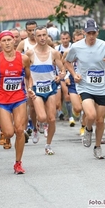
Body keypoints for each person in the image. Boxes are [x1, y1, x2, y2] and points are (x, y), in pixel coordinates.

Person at [64, 19, 105, 159]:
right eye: (89, 33)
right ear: (84, 33)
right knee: (91, 115)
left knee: (100, 120)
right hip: (85, 86)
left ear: (97, 32)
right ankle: (88, 130)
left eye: (94, 33)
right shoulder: (76, 47)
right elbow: (67, 62)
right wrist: (74, 74)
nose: (91, 36)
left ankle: (98, 146)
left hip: (102, 87)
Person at [0, 31, 32, 174]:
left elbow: (29, 77)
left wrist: (29, 88)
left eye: (9, 40)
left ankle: (18, 163)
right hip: (2, 100)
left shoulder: (24, 59)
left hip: (19, 98)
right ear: (0, 43)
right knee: (9, 133)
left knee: (19, 130)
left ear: (14, 41)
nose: (6, 43)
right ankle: (3, 129)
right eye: (3, 40)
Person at [26, 26, 65, 154]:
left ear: (47, 36)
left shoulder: (54, 52)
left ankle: (48, 145)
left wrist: (60, 76)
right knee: (42, 117)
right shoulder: (30, 53)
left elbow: (62, 70)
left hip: (50, 87)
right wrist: (28, 86)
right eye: (39, 36)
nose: (42, 38)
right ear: (35, 37)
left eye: (44, 35)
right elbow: (24, 72)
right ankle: (37, 125)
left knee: (52, 119)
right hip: (36, 89)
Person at [55, 31, 74, 126]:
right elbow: (55, 62)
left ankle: (71, 116)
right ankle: (61, 112)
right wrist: (59, 74)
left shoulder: (74, 47)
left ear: (70, 38)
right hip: (61, 74)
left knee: (67, 96)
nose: (65, 40)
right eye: (63, 38)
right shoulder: (57, 49)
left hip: (72, 73)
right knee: (61, 99)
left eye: (67, 38)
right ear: (60, 39)